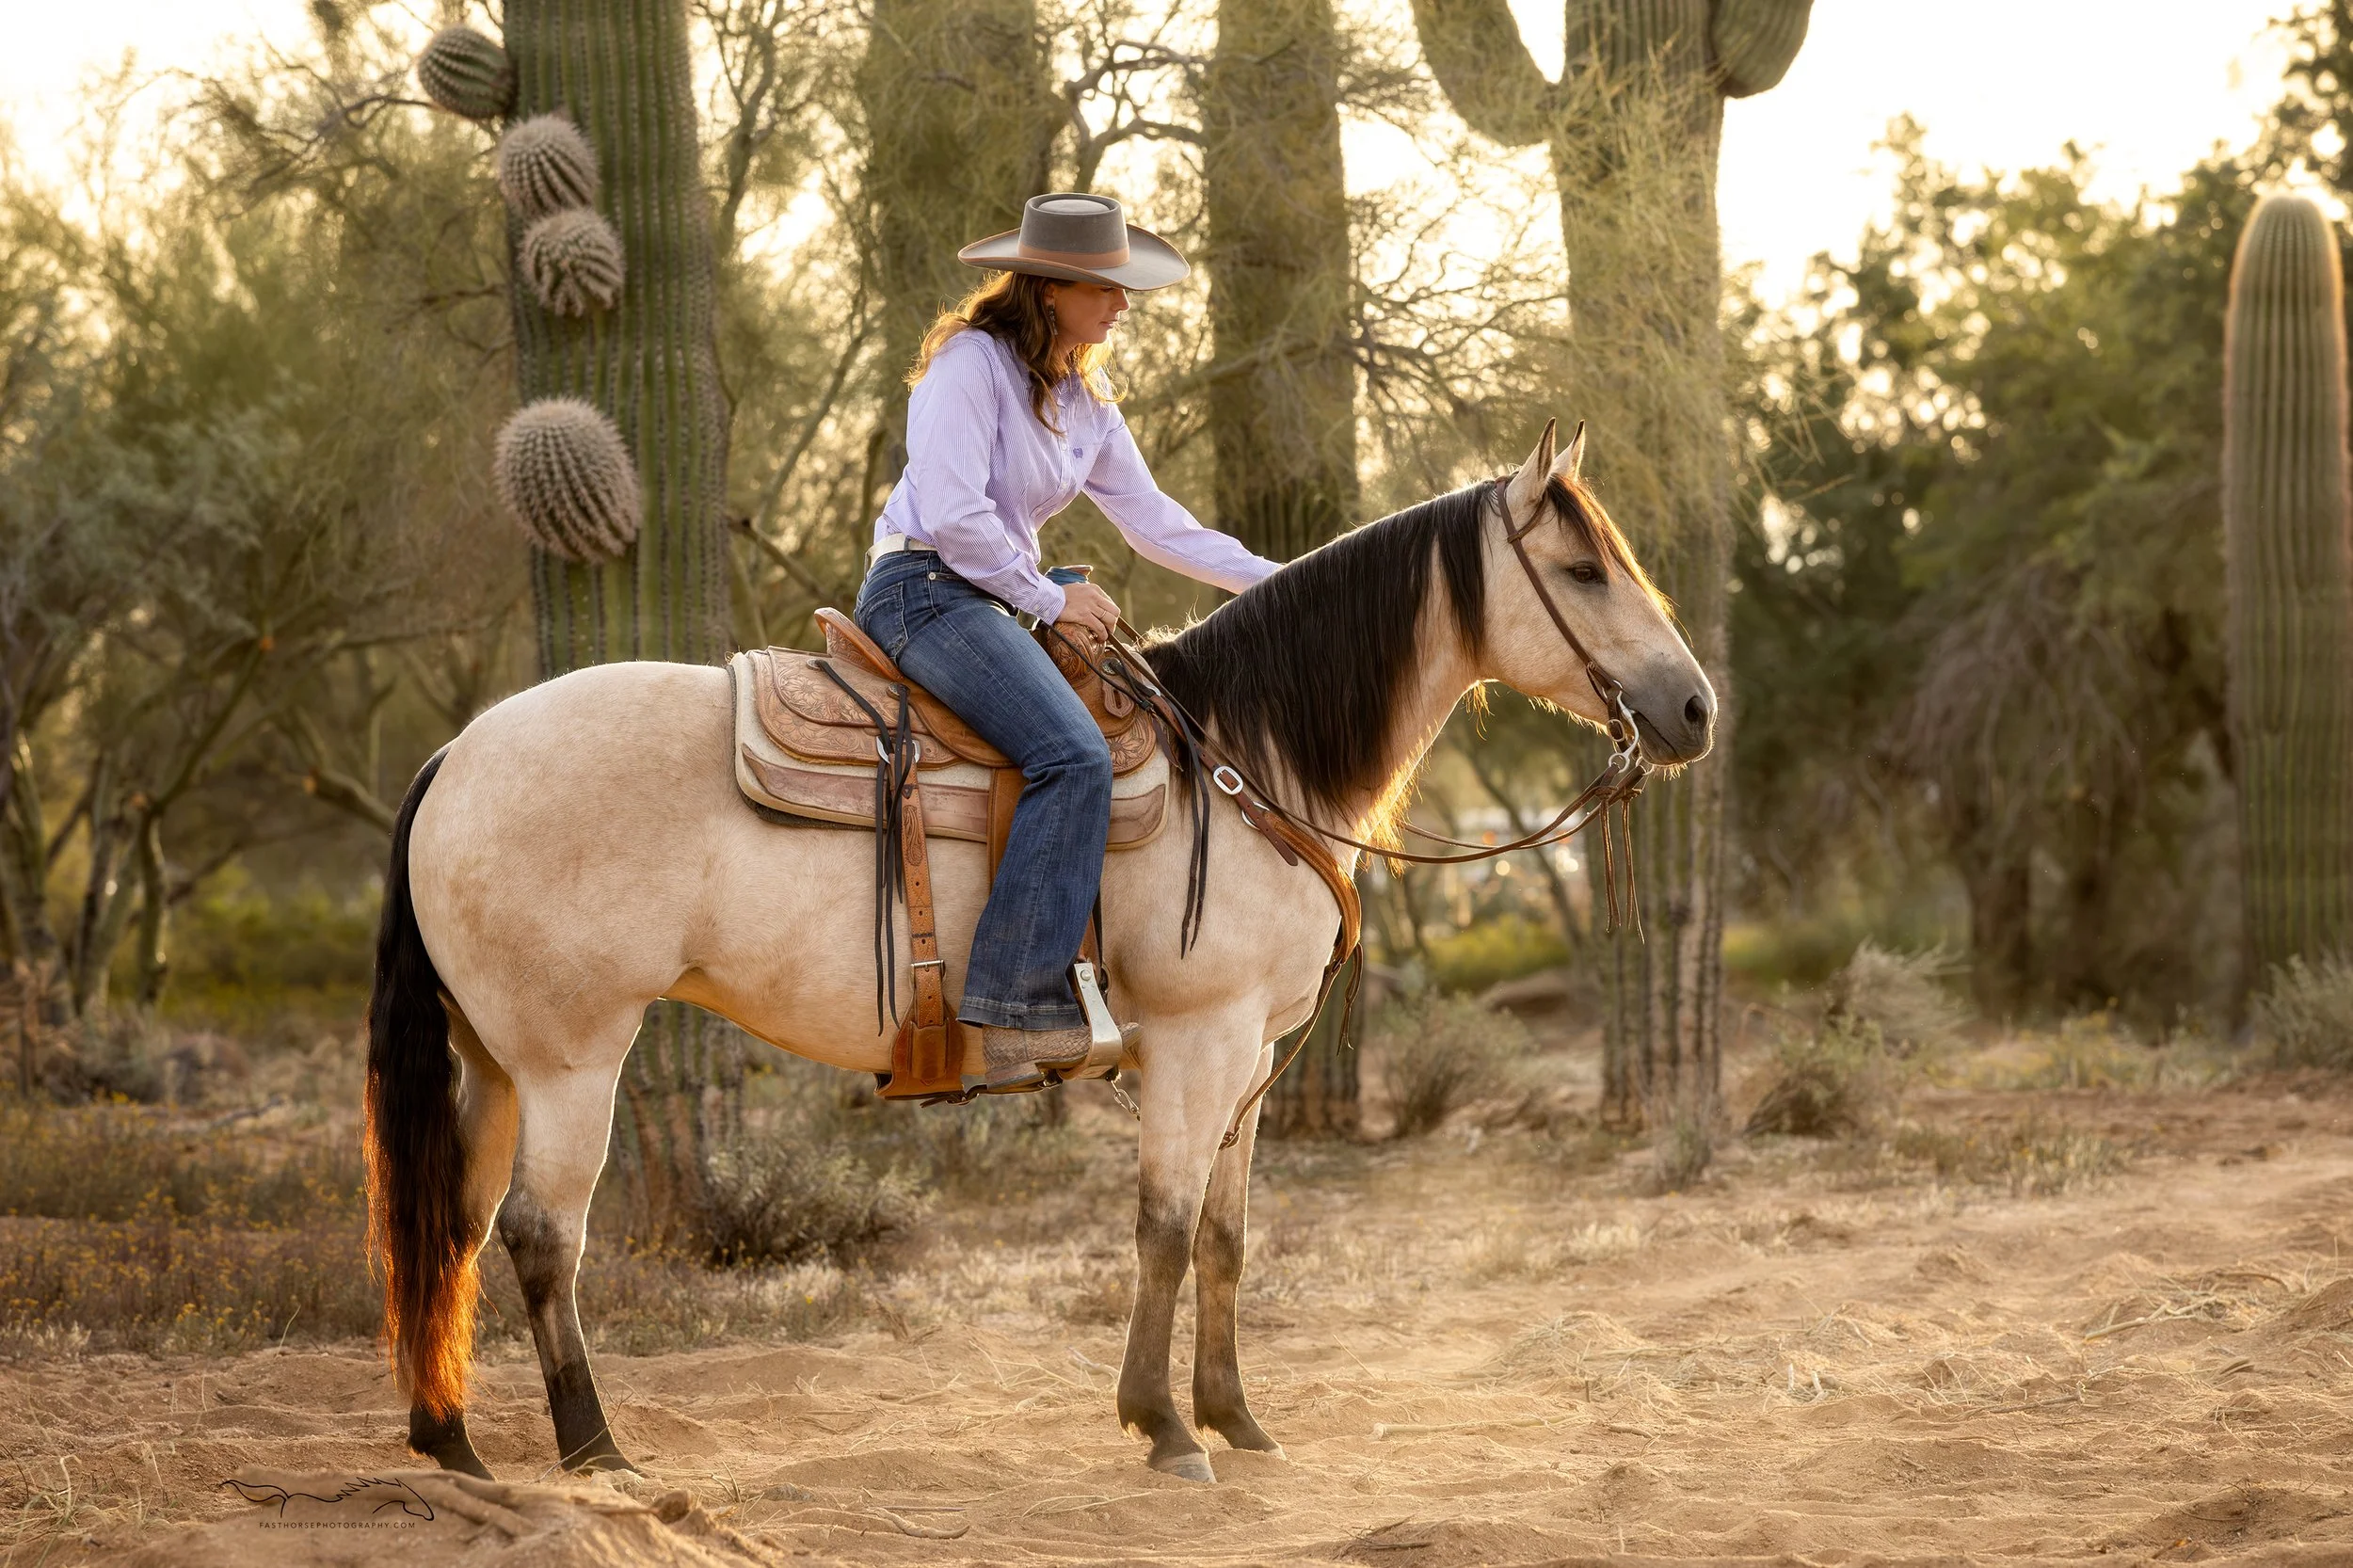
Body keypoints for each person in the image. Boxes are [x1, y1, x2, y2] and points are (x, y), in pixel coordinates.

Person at [855, 192, 1279, 1089]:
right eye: (1103, 287)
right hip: (923, 590)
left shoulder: (1086, 401)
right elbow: (956, 514)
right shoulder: (969, 367)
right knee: (1072, 756)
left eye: (1124, 286)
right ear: (1048, 288)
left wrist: (1289, 584)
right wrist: (1045, 598)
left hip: (990, 600)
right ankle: (1014, 1010)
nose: (1122, 303)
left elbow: (1159, 527)